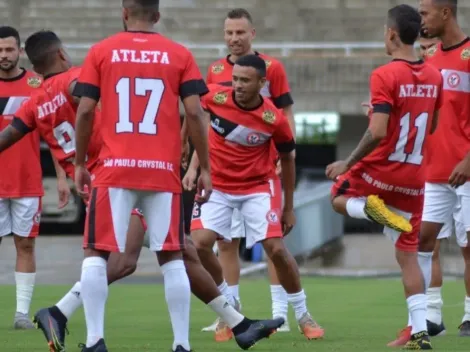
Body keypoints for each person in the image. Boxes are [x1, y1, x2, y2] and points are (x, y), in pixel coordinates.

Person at [0, 29, 284, 352]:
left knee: (183, 250)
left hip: (102, 181)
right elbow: (84, 98)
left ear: (34, 65)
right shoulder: (74, 79)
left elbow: (8, 136)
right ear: (63, 55)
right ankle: (61, 313)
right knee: (129, 261)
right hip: (118, 178)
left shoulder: (35, 102)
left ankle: (240, 325)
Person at [327, 4, 443, 350]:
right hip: (414, 178)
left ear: (391, 34)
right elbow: (432, 126)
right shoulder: (434, 75)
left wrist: (347, 162)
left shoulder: (384, 75)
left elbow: (378, 132)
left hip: (380, 172)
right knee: (408, 256)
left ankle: (370, 211)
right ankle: (420, 332)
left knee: (336, 196)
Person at [187, 54, 324, 342]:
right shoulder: (214, 98)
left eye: (245, 80)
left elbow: (288, 160)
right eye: (235, 79)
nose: (237, 85)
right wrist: (194, 166)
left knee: (275, 249)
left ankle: (302, 313)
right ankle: (230, 304)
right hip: (219, 187)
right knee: (198, 245)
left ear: (262, 83)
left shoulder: (273, 119)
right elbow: (192, 115)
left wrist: (288, 207)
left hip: (257, 188)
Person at [187, 7, 295, 337]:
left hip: (260, 168)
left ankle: (281, 313)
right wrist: (195, 166)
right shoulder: (215, 69)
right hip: (221, 173)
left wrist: (281, 152)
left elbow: (284, 112)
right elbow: (207, 125)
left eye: (240, 33)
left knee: (272, 244)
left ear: (252, 34)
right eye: (229, 33)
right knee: (224, 244)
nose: (234, 38)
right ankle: (231, 313)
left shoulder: (272, 68)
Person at [405, 0, 470, 340]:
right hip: (433, 171)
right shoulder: (428, 59)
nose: (421, 20)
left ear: (446, 13)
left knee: (468, 244)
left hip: (467, 169)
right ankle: (432, 315)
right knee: (424, 240)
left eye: (425, 13)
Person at [0, 26, 44, 329]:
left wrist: (65, 179)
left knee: (25, 245)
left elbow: (52, 134)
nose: (4, 56)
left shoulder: (36, 85)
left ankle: (21, 314)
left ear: (20, 51)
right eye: (0, 50)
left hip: (27, 181)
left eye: (9, 50)